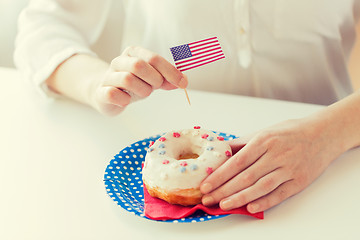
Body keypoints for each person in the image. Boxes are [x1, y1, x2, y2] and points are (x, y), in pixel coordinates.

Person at [14, 0, 360, 214]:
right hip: (150, 151)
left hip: (336, 164)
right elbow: (43, 28)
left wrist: (328, 134)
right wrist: (97, 83)